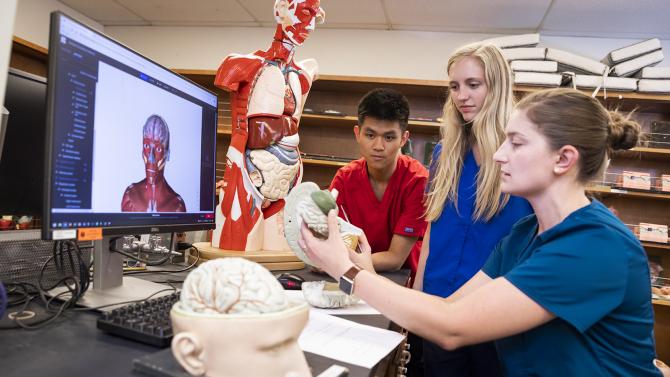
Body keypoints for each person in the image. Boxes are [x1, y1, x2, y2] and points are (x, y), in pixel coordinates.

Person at [300, 88, 662, 377]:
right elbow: (448, 308)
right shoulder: (524, 233)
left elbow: (452, 327)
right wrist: (361, 270)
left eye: (517, 143)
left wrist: (344, 270)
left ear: (563, 159)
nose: (499, 155)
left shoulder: (594, 246)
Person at [412, 42, 532, 376]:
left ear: (497, 87)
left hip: (494, 313)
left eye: (473, 84)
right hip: (439, 302)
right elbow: (433, 227)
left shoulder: (522, 158)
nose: (461, 96)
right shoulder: (445, 154)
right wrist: (418, 295)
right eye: (454, 86)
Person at [211, 0, 325, 251]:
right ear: (281, 9)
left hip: (286, 176)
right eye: (305, 13)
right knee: (239, 249)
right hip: (248, 171)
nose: (310, 24)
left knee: (279, 252)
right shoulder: (241, 64)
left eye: (316, 16)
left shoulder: (303, 74)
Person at [329, 88, 428, 280]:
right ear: (357, 133)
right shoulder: (344, 179)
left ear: (404, 139)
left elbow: (395, 258)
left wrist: (335, 261)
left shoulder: (418, 181)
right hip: (353, 277)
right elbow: (334, 240)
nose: (378, 146)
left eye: (389, 137)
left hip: (403, 284)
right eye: (370, 135)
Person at [121, 114, 186, 212]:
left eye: (158, 148)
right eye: (147, 146)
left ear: (167, 154)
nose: (151, 158)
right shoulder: (130, 195)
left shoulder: (177, 205)